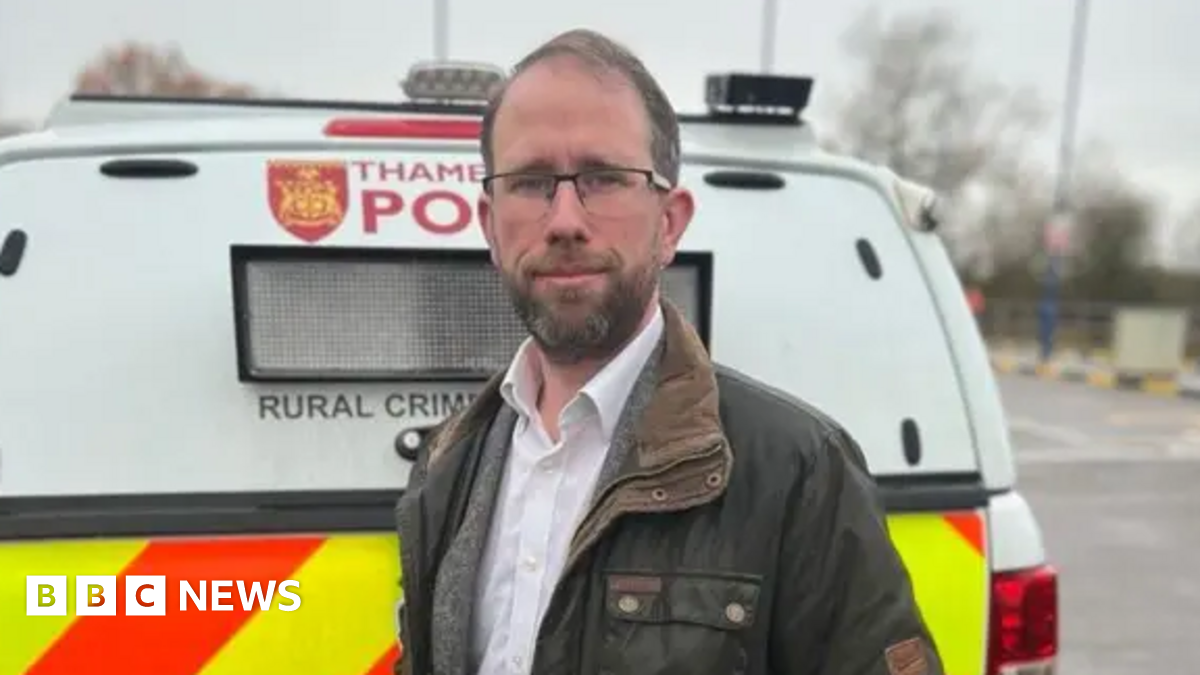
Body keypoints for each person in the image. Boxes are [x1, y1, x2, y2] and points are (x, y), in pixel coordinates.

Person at [393, 28, 944, 675]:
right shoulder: (447, 464)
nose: (565, 219)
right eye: (531, 181)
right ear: (490, 223)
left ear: (671, 221)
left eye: (602, 178)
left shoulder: (800, 472)